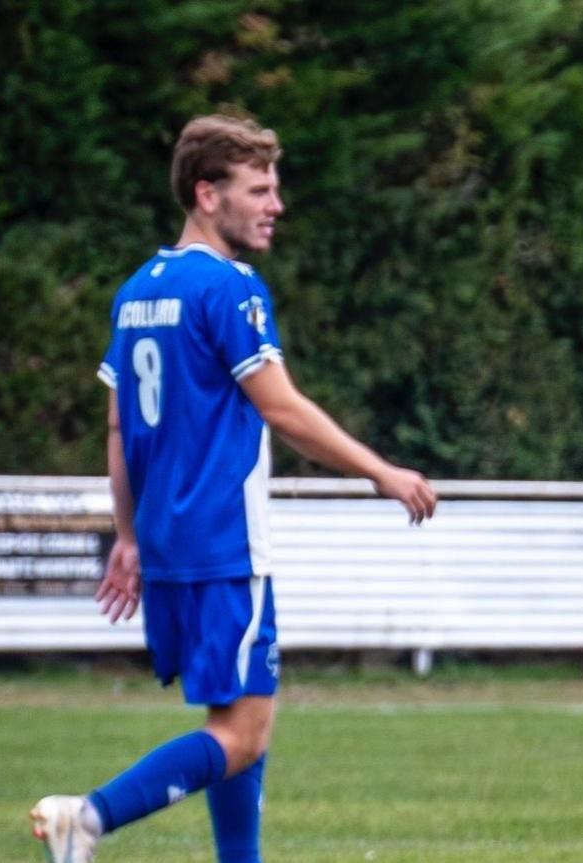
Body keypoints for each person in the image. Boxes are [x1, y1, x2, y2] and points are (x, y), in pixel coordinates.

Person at [30, 114, 438, 863]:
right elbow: (281, 408)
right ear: (206, 193)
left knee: (241, 723)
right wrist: (380, 470)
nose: (275, 205)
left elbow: (118, 428)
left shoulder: (136, 292)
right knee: (243, 733)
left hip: (167, 544)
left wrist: (129, 537)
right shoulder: (230, 287)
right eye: (258, 189)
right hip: (223, 543)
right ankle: (86, 817)